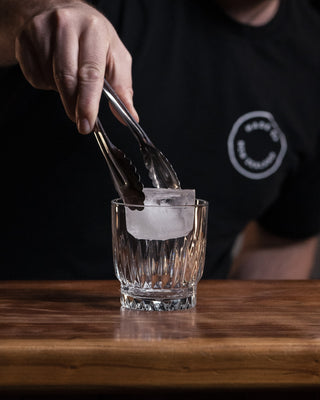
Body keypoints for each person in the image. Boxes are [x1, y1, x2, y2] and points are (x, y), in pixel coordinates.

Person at [0, 0, 319, 280]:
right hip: (21, 317)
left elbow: (286, 236)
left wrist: (234, 342)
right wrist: (41, 12)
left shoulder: (311, 58)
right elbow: (17, 17)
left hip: (182, 338)